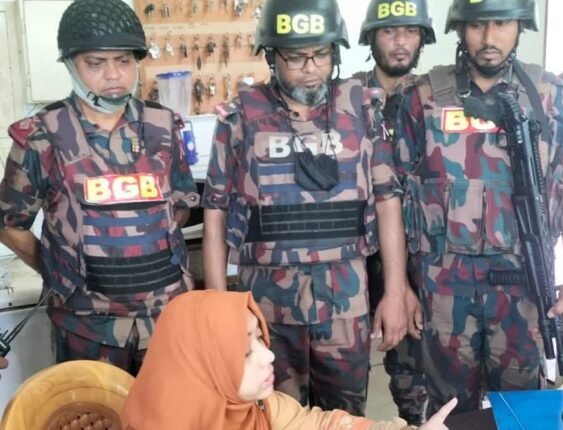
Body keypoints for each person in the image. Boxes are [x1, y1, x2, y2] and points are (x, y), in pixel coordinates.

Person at [202, 0, 410, 415]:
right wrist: (220, 313)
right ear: (271, 56)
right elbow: (215, 216)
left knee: (345, 419)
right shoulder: (240, 118)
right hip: (267, 311)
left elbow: (388, 202)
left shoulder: (361, 110)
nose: (311, 68)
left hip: (345, 305)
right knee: (270, 416)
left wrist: (395, 292)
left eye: (321, 54)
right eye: (296, 58)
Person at [395, 0, 563, 416]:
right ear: (459, 30)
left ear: (520, 27)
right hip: (442, 291)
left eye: (501, 23)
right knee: (449, 412)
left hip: (523, 289)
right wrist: (401, 287)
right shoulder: (422, 98)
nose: (488, 38)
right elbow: (392, 196)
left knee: (524, 410)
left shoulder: (549, 98)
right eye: (476, 26)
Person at [0, 0, 198, 376]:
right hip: (87, 328)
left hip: (166, 322)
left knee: (168, 407)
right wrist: (56, 271)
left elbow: (180, 207)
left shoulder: (163, 127)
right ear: (71, 64)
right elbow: (10, 225)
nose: (113, 74)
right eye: (96, 63)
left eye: (123, 60)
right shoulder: (42, 136)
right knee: (92, 408)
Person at [122, 289, 457, 430]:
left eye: (259, 338)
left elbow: (323, 426)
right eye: (246, 352)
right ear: (204, 368)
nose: (268, 354)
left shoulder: (259, 409)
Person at [351, 0, 436, 424]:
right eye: (388, 31)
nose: (400, 42)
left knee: (413, 381)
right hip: (350, 260)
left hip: (415, 257)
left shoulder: (436, 99)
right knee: (342, 384)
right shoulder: (345, 97)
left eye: (410, 31)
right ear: (371, 38)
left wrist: (404, 284)